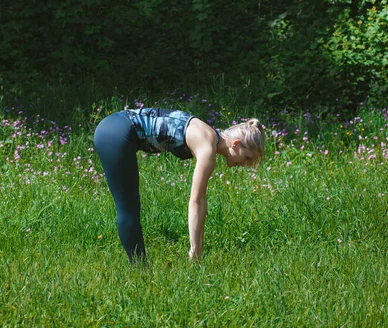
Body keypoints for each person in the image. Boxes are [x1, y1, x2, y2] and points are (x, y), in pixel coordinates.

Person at [93, 107, 266, 264]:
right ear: (236, 144)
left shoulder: (209, 135)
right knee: (128, 207)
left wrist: (197, 247)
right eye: (248, 158)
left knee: (130, 206)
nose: (245, 164)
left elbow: (201, 200)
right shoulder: (207, 148)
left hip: (115, 125)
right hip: (116, 133)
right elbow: (196, 202)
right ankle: (140, 274)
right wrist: (195, 251)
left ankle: (140, 270)